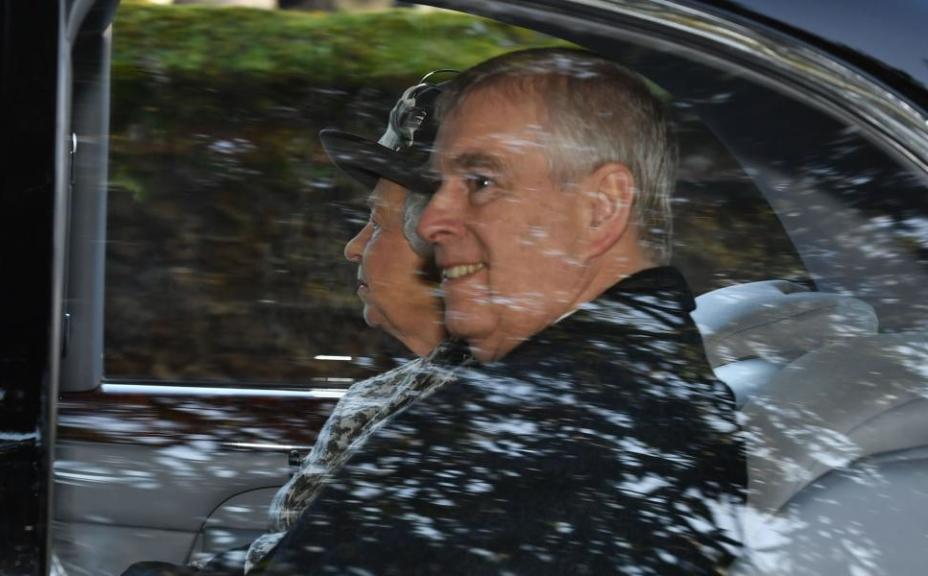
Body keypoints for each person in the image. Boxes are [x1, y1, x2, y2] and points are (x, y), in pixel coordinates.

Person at [247, 48, 746, 575]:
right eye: (435, 191)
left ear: (600, 208)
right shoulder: (537, 403)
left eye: (481, 183)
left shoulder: (550, 435)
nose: (434, 221)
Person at [121, 72, 466, 576]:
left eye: (377, 224)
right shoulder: (404, 391)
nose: (352, 247)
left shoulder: (467, 421)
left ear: (445, 246)